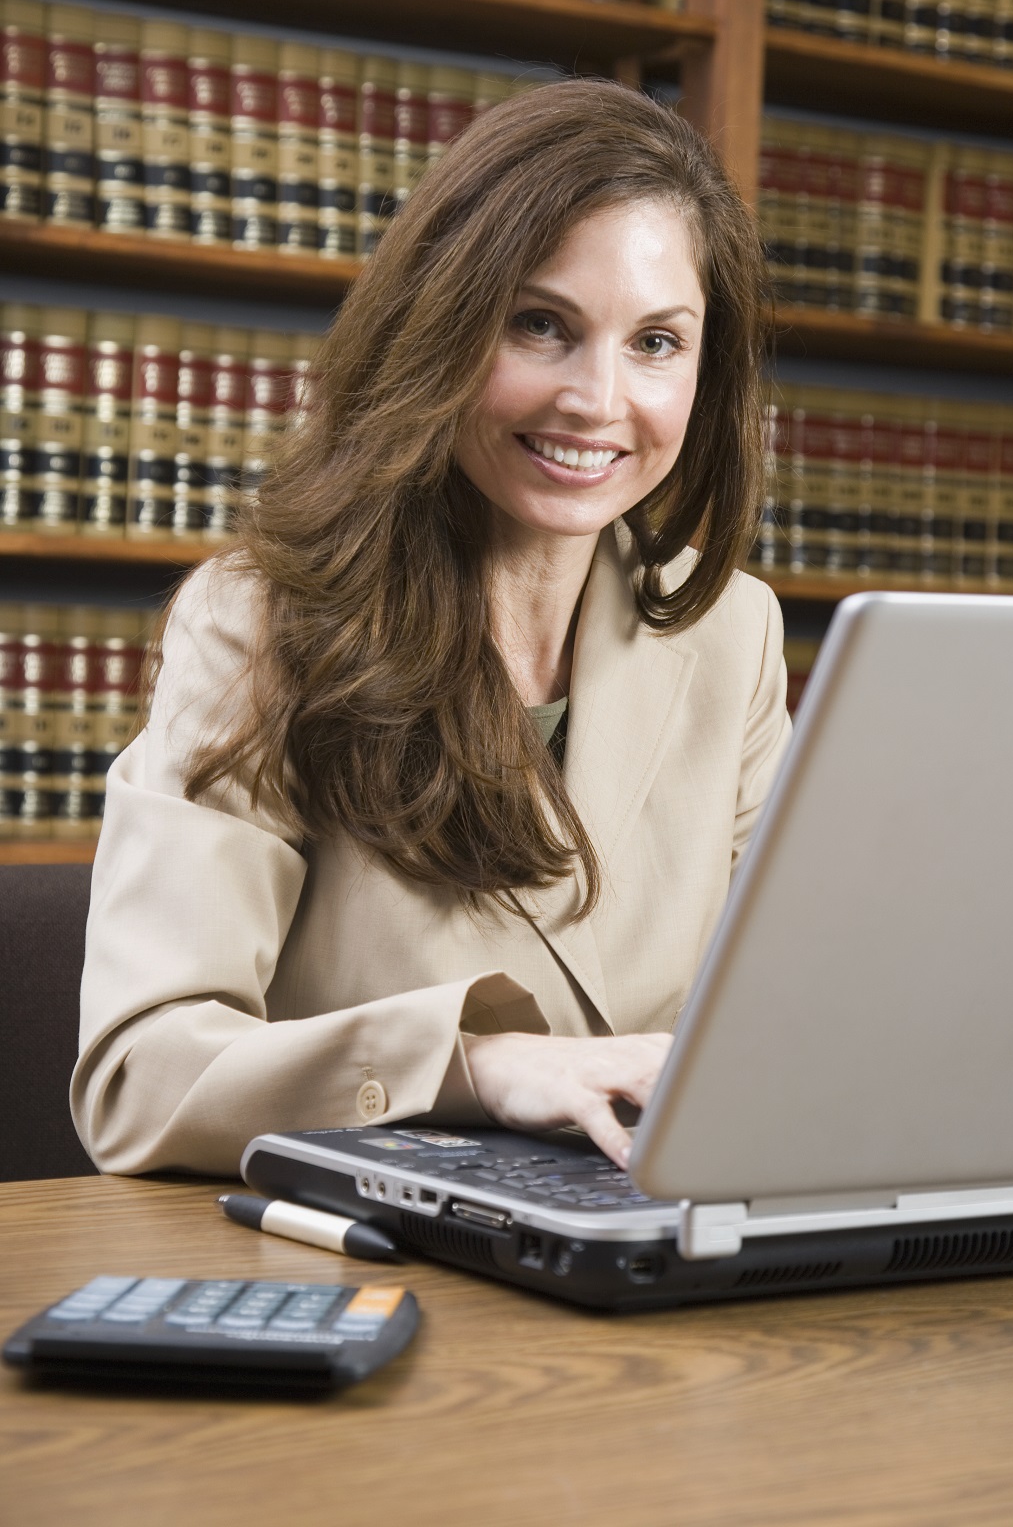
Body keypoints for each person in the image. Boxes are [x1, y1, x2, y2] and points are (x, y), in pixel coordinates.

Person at [71, 79, 790, 1177]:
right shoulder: (262, 621)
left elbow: (784, 1015)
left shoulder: (734, 632)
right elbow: (139, 1079)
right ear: (444, 325)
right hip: (379, 1256)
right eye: (541, 325)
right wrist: (478, 1067)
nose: (599, 400)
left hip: (658, 1253)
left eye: (656, 343)